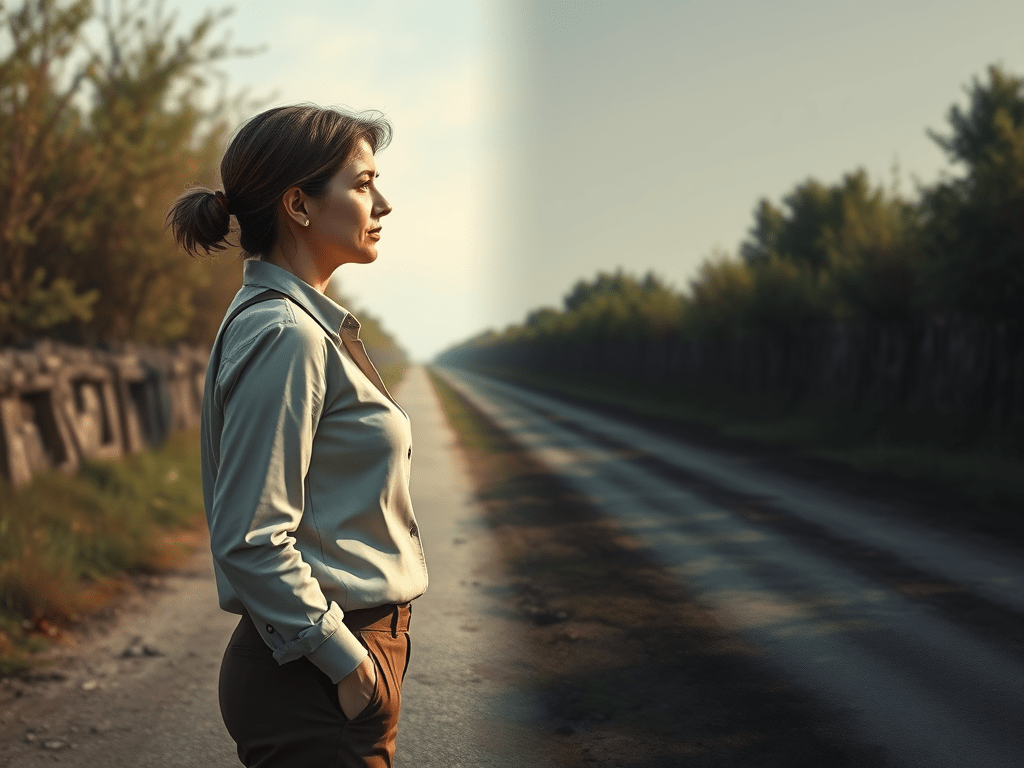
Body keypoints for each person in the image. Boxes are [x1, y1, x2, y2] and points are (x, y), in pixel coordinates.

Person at [167, 104, 428, 768]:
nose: (383, 204)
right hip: (316, 677)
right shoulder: (286, 334)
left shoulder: (294, 325)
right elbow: (251, 537)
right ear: (299, 205)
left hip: (322, 670)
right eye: (363, 183)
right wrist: (349, 665)